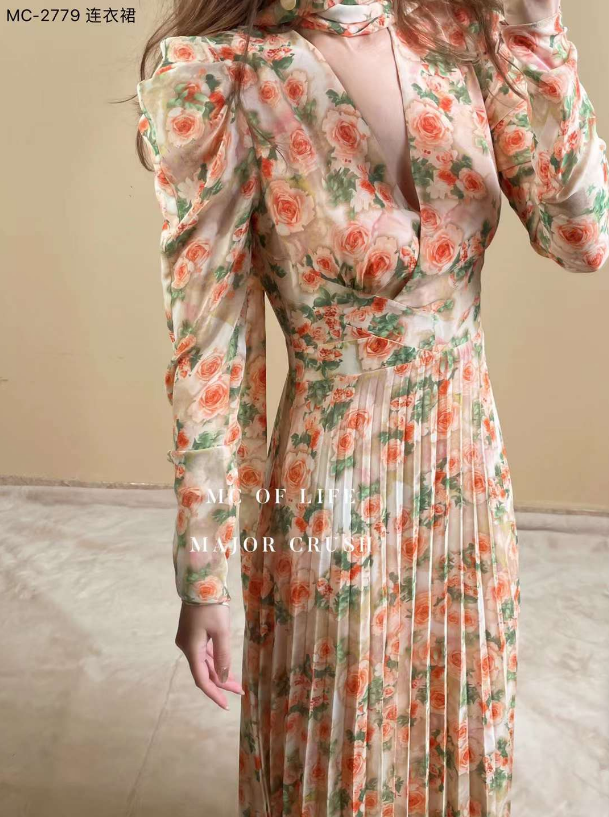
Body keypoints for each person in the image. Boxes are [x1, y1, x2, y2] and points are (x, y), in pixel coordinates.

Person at [135, 1, 609, 814]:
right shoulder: (229, 77)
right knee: (337, 759)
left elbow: (582, 239)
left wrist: (536, 28)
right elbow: (211, 349)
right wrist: (205, 571)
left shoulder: (459, 38)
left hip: (465, 479)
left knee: (458, 734)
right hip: (334, 489)